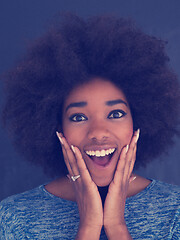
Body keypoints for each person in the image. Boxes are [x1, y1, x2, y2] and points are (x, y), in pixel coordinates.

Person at [0, 13, 180, 239]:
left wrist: (116, 225)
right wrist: (88, 227)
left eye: (115, 113)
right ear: (57, 129)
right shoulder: (14, 218)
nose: (98, 132)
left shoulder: (175, 211)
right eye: (78, 117)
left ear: (138, 121)